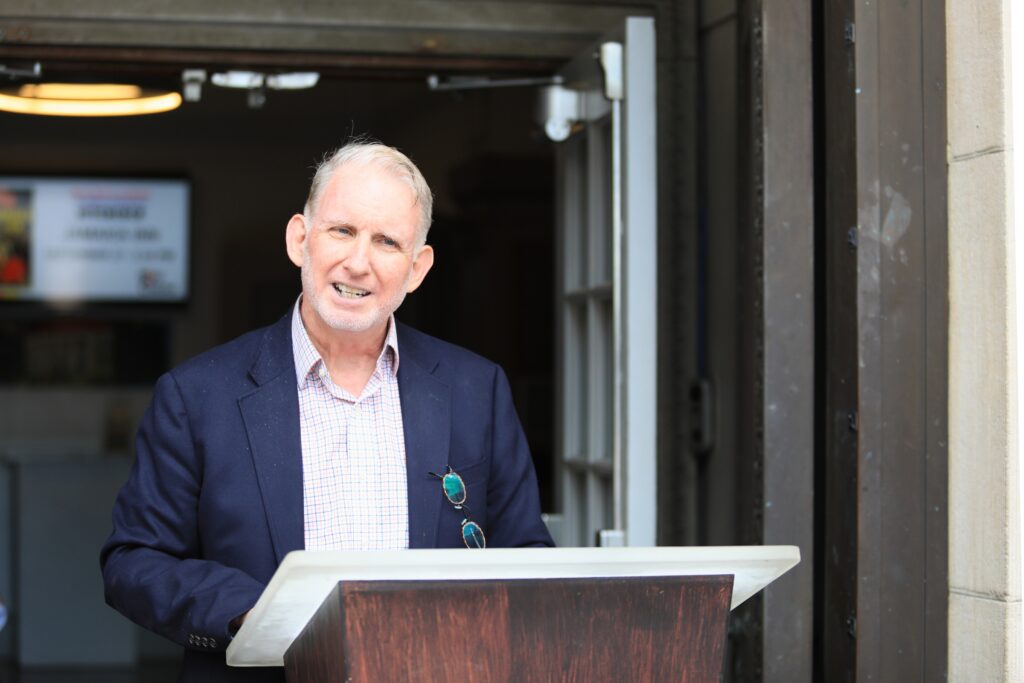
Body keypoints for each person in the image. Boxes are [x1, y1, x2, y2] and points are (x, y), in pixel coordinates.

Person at [100, 140, 553, 682]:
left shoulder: (477, 390)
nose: (358, 262)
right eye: (342, 230)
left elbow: (527, 561)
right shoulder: (196, 395)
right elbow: (134, 561)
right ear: (300, 239)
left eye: (387, 241)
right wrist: (255, 612)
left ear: (417, 267)